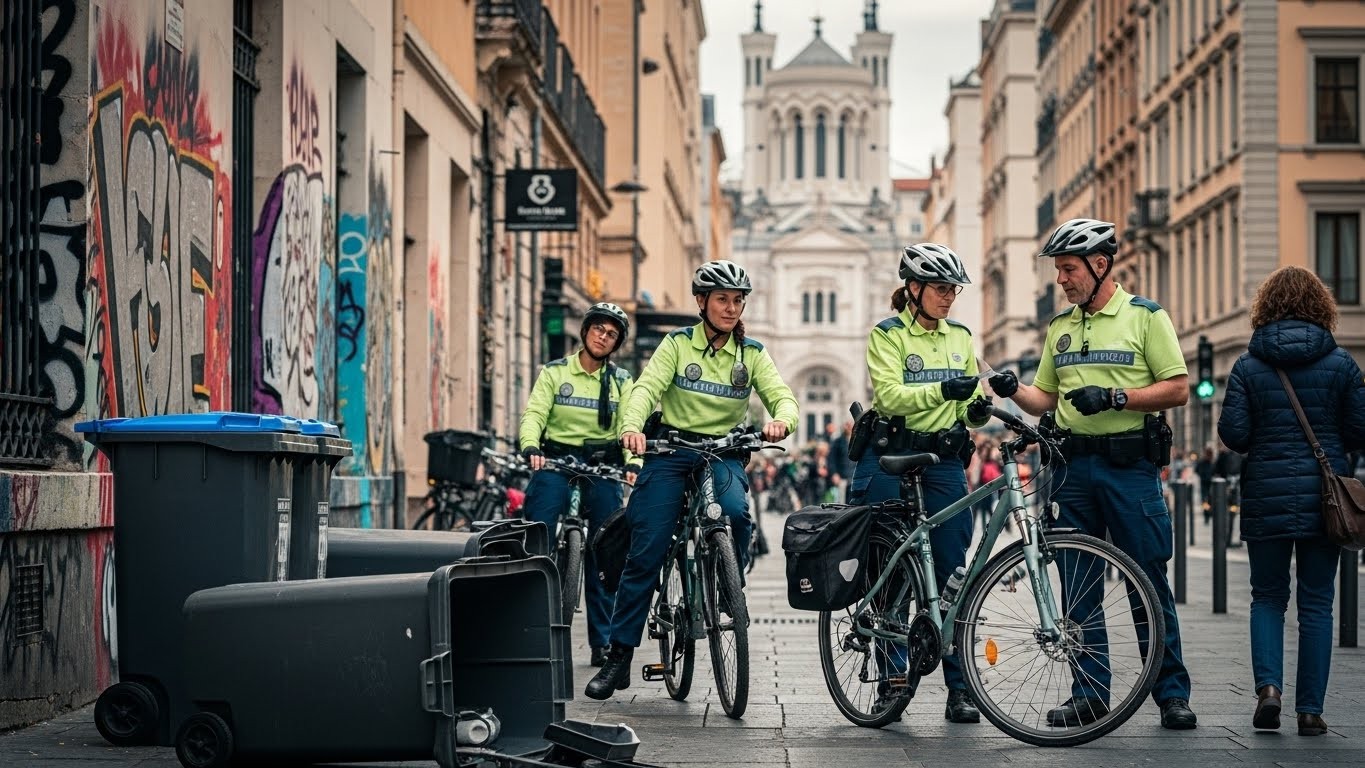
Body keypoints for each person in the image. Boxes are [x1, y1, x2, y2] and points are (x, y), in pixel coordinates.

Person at [986, 218, 1197, 730]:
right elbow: (1045, 399)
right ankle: (1089, 693)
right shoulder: (1059, 327)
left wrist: (1116, 397)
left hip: (1130, 468)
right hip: (1071, 469)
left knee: (1148, 580)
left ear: (1101, 265)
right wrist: (1013, 390)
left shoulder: (1146, 317)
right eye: (1059, 270)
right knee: (1078, 587)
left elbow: (1177, 388)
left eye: (1069, 269)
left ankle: (1171, 693)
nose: (1061, 279)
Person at [585, 260, 799, 700]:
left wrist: (782, 419)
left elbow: (782, 396)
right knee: (647, 546)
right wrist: (632, 426)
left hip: (722, 452)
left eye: (737, 300)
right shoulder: (677, 344)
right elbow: (645, 389)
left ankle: (728, 586)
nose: (731, 308)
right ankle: (619, 655)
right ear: (701, 302)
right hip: (672, 450)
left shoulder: (752, 353)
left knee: (736, 514)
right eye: (722, 299)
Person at [1216, 265, 1365, 735]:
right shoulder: (1342, 364)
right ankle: (1310, 711)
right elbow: (1360, 430)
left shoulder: (1248, 365)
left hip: (1266, 493)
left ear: (1266, 307)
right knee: (1317, 603)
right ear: (1322, 307)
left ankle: (1268, 690)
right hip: (1326, 499)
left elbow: (1234, 435)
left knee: (1267, 597)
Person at [850, 243, 990, 724]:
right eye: (941, 288)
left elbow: (969, 404)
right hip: (891, 457)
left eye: (953, 289)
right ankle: (891, 681)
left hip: (943, 460)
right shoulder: (887, 335)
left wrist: (978, 408)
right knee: (893, 569)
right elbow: (890, 396)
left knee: (953, 572)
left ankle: (960, 687)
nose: (949, 297)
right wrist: (944, 389)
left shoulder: (961, 337)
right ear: (913, 288)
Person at [518, 302, 641, 668]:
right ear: (585, 331)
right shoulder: (555, 372)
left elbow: (629, 423)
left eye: (612, 334)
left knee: (606, 551)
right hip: (556, 462)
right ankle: (530, 627)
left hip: (602, 467)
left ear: (616, 343)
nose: (603, 337)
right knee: (536, 534)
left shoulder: (621, 381)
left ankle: (602, 642)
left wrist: (632, 463)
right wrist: (531, 446)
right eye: (598, 329)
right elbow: (535, 413)